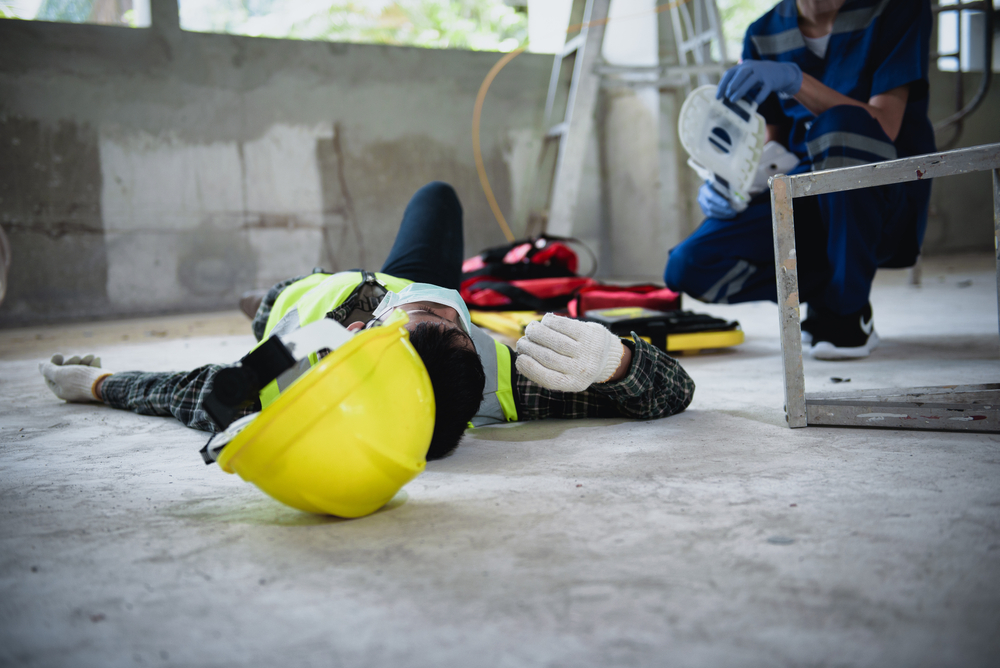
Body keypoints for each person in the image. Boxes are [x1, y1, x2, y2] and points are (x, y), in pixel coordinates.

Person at [40, 182, 695, 460]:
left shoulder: (302, 366)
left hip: (303, 301)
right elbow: (673, 393)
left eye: (425, 315)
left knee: (270, 300)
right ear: (472, 341)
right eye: (448, 317)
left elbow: (186, 391)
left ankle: (256, 297)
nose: (422, 305)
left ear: (363, 345)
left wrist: (98, 384)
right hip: (369, 285)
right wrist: (618, 363)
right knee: (436, 198)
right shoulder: (506, 379)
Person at [664, 0, 935, 360]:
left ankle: (846, 314)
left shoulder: (896, 9)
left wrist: (796, 79)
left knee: (840, 127)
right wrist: (730, 185)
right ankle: (830, 289)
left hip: (879, 204)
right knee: (689, 265)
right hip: (801, 200)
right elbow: (770, 145)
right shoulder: (763, 33)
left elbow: (884, 123)